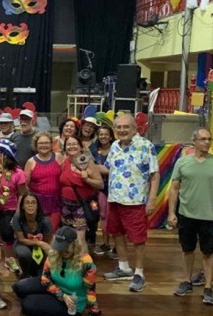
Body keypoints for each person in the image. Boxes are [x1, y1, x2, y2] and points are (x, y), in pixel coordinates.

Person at [168, 128, 213, 306]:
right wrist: (171, 212)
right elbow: (174, 188)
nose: (207, 142)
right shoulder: (182, 162)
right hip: (186, 214)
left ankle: (208, 287)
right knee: (187, 249)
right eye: (203, 139)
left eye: (209, 139)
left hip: (209, 215)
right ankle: (186, 281)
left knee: (208, 251)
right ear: (194, 141)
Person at [103, 113, 159, 293]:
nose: (122, 130)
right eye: (118, 127)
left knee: (138, 238)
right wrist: (85, 165)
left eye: (126, 127)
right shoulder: (114, 146)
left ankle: (139, 273)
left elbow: (154, 174)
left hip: (135, 201)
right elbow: (107, 168)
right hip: (115, 198)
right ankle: (124, 267)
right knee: (116, 233)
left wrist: (152, 199)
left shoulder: (146, 146)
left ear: (135, 128)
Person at [13, 226, 101, 316]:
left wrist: (94, 310)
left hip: (72, 301)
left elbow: (90, 290)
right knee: (19, 287)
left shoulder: (86, 262)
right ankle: (45, 299)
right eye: (60, 246)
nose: (63, 251)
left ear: (75, 244)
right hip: (55, 287)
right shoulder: (54, 253)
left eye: (66, 246)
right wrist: (61, 295)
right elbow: (45, 279)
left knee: (28, 303)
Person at [59, 136, 104, 253]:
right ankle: (71, 261)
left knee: (80, 239)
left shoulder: (88, 162)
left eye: (75, 144)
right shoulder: (65, 162)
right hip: (66, 205)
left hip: (82, 205)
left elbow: (100, 184)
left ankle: (84, 262)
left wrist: (87, 179)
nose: (72, 146)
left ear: (80, 147)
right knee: (68, 237)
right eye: (69, 144)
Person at [24, 131, 64, 232]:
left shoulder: (59, 157)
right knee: (38, 231)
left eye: (46, 143)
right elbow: (25, 185)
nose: (44, 145)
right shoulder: (31, 162)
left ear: (51, 144)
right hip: (38, 203)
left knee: (52, 230)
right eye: (41, 143)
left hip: (56, 202)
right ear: (36, 145)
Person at [12, 192, 53, 277]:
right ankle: (25, 274)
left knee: (39, 275)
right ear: (23, 206)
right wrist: (39, 243)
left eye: (33, 202)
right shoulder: (17, 217)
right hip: (23, 245)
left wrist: (43, 247)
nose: (30, 205)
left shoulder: (45, 221)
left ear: (37, 206)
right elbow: (21, 239)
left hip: (41, 248)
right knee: (24, 253)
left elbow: (46, 242)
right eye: (27, 203)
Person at [91, 125, 115, 257]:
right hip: (100, 189)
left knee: (115, 217)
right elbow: (91, 167)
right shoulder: (95, 151)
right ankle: (106, 244)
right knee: (103, 215)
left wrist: (99, 168)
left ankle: (117, 247)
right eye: (101, 134)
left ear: (111, 136)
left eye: (106, 134)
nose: (103, 136)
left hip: (115, 189)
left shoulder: (116, 150)